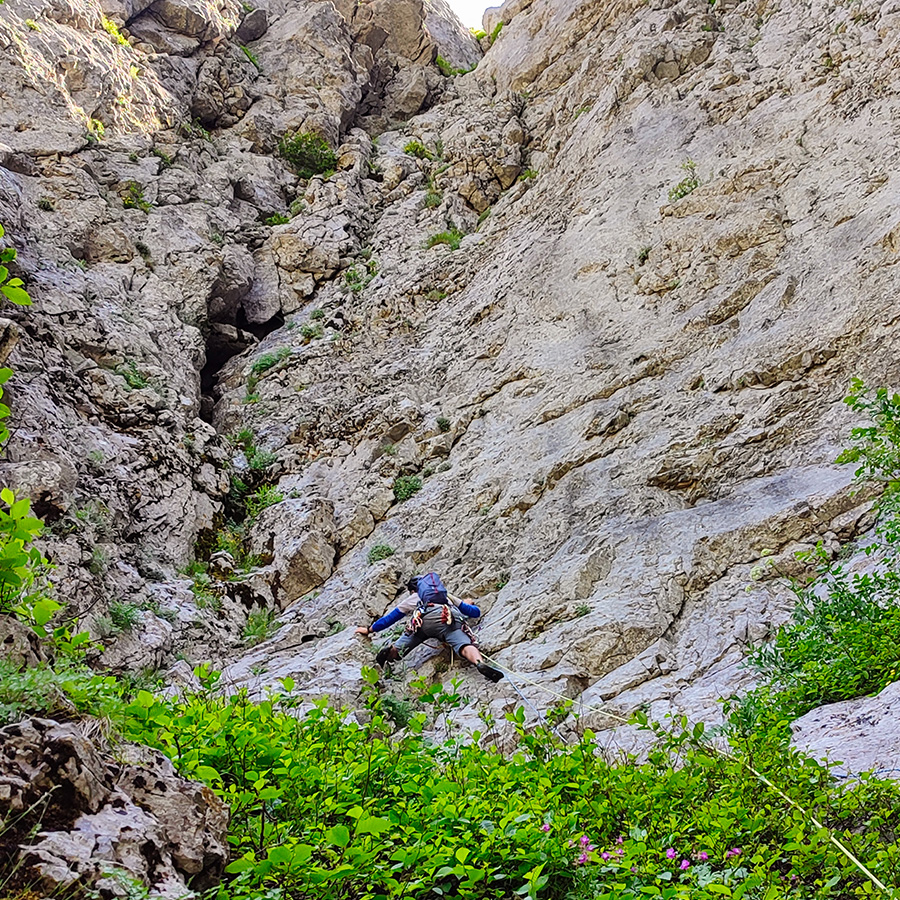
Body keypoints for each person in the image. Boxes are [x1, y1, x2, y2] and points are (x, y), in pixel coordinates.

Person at [356, 572, 504, 682]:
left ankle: (393, 651)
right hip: (447, 618)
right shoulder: (446, 596)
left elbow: (390, 618)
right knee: (464, 644)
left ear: (414, 590)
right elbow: (475, 613)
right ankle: (479, 662)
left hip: (423, 620)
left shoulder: (413, 598)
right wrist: (467, 603)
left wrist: (369, 630)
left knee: (412, 635)